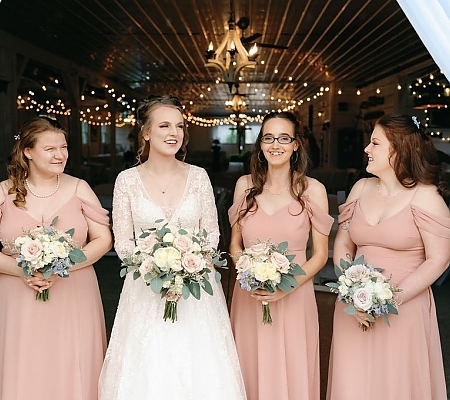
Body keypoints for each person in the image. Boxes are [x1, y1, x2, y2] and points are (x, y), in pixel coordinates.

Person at [98, 95, 246, 400]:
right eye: (164, 125)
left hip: (196, 290)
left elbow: (211, 235)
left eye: (179, 126)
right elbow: (124, 242)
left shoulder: (198, 176)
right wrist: (156, 271)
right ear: (146, 132)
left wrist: (186, 270)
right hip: (144, 290)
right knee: (148, 367)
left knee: (199, 368)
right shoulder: (126, 181)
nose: (173, 133)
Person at [326, 114, 450, 400]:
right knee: (353, 383)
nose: (366, 149)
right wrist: (351, 290)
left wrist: (386, 301)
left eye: (375, 143)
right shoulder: (361, 188)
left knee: (394, 384)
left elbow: (439, 260)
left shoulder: (427, 196)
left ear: (398, 149)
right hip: (353, 308)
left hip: (403, 309)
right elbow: (343, 243)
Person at [0, 115, 113, 400]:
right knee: (25, 362)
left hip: (74, 292)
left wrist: (62, 266)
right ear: (28, 151)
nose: (60, 155)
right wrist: (23, 271)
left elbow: (103, 239)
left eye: (63, 147)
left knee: (70, 360)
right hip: (17, 295)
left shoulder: (78, 187)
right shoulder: (4, 191)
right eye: (50, 149)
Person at [229, 111, 334, 400]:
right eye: (268, 138)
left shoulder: (313, 189)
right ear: (260, 144)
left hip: (295, 294)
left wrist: (283, 286)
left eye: (284, 138)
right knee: (249, 362)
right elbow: (235, 245)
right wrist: (250, 273)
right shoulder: (244, 186)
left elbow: (321, 254)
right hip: (250, 294)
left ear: (296, 144)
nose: (276, 145)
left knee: (292, 366)